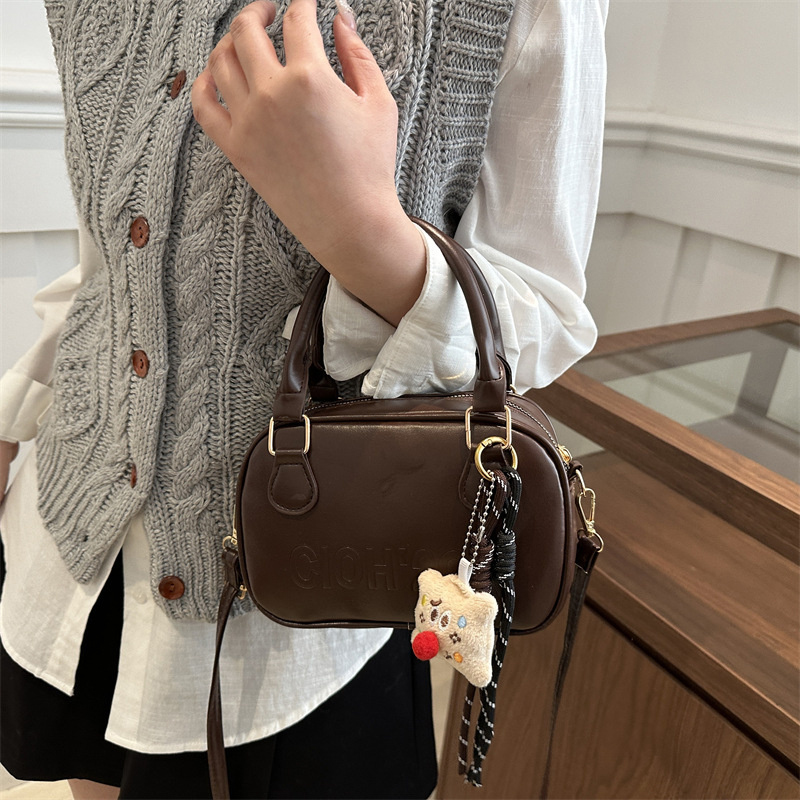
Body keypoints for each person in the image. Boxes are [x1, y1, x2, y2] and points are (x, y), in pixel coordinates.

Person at [0, 0, 608, 797]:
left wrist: (358, 226)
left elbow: (543, 310)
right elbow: (107, 266)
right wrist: (13, 418)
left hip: (302, 611)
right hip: (74, 545)